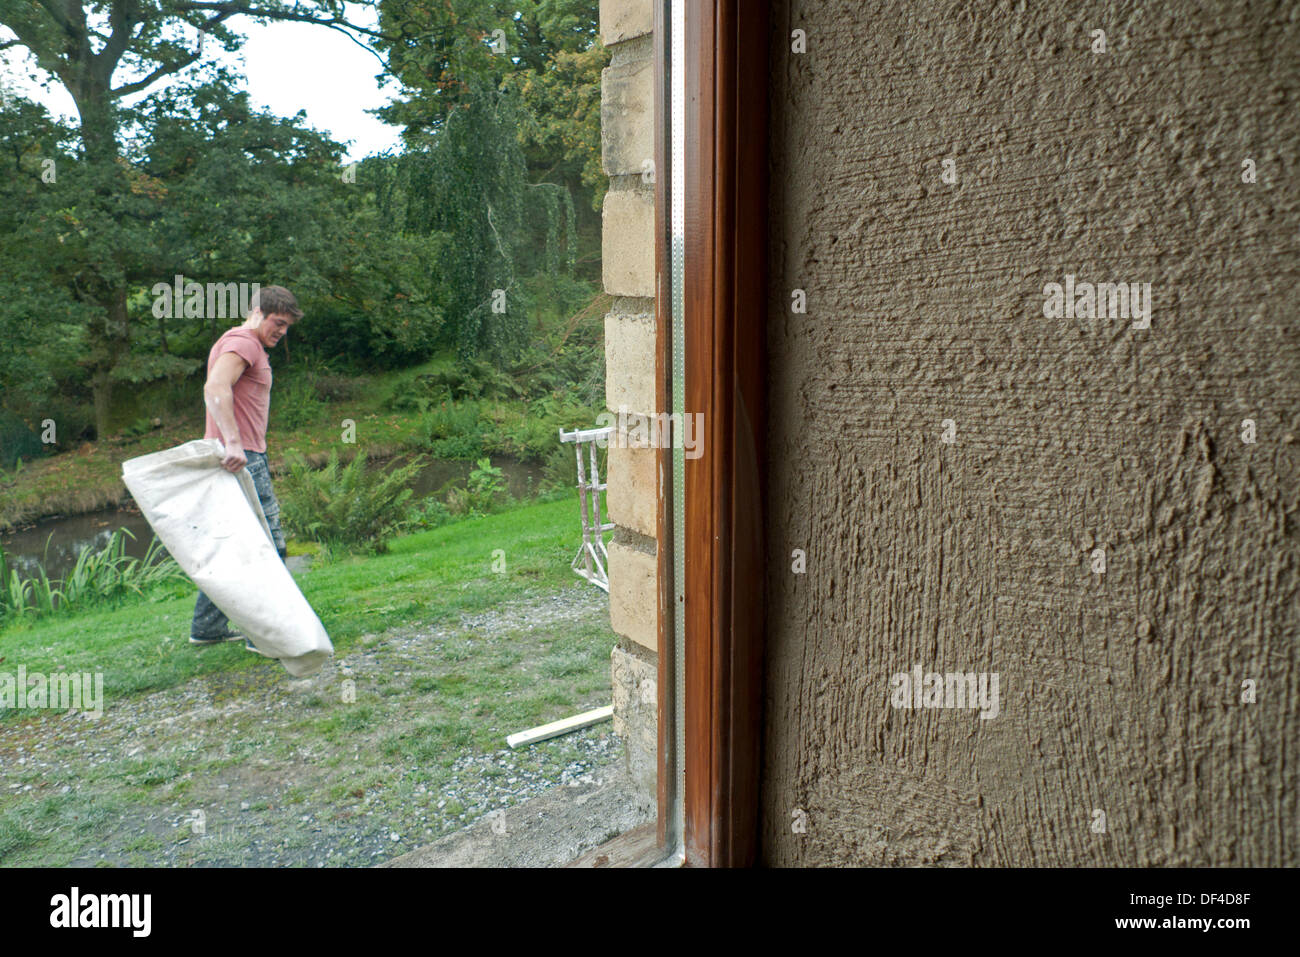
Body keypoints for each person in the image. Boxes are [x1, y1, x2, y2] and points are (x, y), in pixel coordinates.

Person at [189, 285, 303, 651]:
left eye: (287, 326)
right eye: (278, 322)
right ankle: (267, 635)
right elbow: (216, 387)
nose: (281, 331)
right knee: (269, 546)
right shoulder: (245, 342)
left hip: (235, 457)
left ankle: (206, 628)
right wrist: (235, 442)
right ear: (258, 312)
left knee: (235, 547)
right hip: (243, 458)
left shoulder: (238, 341)